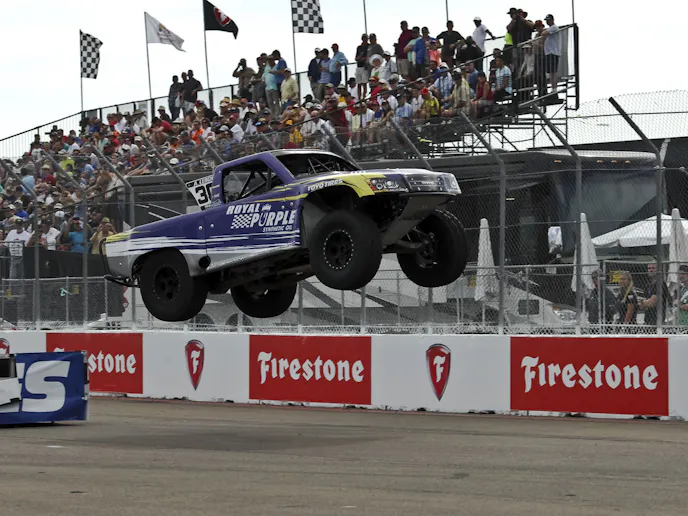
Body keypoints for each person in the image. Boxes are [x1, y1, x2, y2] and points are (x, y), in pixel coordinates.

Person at [640, 262, 670, 328]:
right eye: (649, 268)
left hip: (657, 320)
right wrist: (645, 302)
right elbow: (642, 307)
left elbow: (652, 302)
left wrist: (643, 302)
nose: (651, 270)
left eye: (653, 268)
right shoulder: (648, 285)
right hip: (647, 319)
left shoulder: (660, 284)